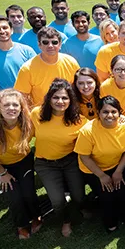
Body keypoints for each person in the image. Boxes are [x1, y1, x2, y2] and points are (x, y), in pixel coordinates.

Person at [0, 89, 40, 239]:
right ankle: (21, 224)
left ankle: (36, 216)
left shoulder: (28, 120)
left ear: (21, 107)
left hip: (23, 160)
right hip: (0, 165)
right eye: (7, 105)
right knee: (14, 196)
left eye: (15, 105)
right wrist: (2, 173)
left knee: (29, 192)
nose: (11, 108)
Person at [75, 95, 125, 232]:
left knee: (123, 191)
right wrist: (102, 176)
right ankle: (110, 222)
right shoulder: (88, 131)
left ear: (119, 112)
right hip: (93, 169)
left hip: (116, 165)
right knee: (107, 194)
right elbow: (84, 157)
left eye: (113, 112)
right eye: (105, 112)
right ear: (98, 113)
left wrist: (118, 171)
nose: (109, 115)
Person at [31, 79, 87, 237]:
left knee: (79, 195)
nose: (60, 101)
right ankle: (65, 221)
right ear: (49, 98)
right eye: (56, 97)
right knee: (57, 200)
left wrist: (121, 119)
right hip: (45, 163)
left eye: (64, 98)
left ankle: (81, 207)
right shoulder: (37, 114)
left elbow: (96, 128)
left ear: (71, 100)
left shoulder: (79, 120)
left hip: (70, 161)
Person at [14, 27, 80, 106]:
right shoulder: (27, 68)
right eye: (45, 42)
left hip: (66, 112)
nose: (50, 45)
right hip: (40, 114)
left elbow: (77, 89)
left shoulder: (71, 62)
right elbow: (22, 97)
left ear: (60, 44)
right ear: (39, 44)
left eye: (54, 42)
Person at [0, 15, 36, 96]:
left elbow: (36, 77)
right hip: (7, 103)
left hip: (29, 100)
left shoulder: (27, 51)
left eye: (5, 27)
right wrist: (8, 102)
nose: (2, 31)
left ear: (11, 30)